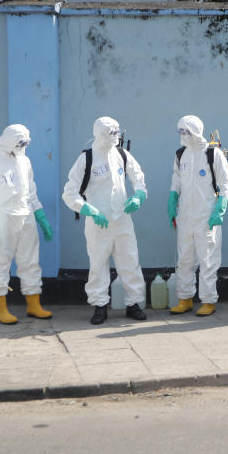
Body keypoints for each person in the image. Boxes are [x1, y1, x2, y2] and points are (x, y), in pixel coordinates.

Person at [62, 117, 148, 325]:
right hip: (98, 223)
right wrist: (88, 210)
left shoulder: (122, 155)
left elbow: (139, 178)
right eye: (111, 133)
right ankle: (99, 306)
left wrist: (138, 196)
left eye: (116, 132)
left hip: (122, 220)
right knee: (98, 263)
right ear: (100, 134)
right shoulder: (86, 160)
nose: (115, 136)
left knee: (129, 261)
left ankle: (133, 303)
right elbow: (69, 193)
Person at [0, 124, 54, 324]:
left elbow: (31, 192)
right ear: (9, 140)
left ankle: (33, 304)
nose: (23, 146)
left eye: (25, 142)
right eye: (20, 142)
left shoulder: (25, 161)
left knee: (30, 260)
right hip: (2, 218)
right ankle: (1, 309)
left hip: (26, 216)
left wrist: (41, 217)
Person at [167, 115, 228, 317]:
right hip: (186, 216)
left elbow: (225, 185)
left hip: (207, 216)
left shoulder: (213, 154)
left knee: (208, 260)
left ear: (195, 131)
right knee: (185, 259)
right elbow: (176, 183)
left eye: (185, 131)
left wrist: (219, 210)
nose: (182, 135)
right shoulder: (181, 155)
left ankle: (208, 300)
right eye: (180, 131)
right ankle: (185, 298)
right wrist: (172, 204)